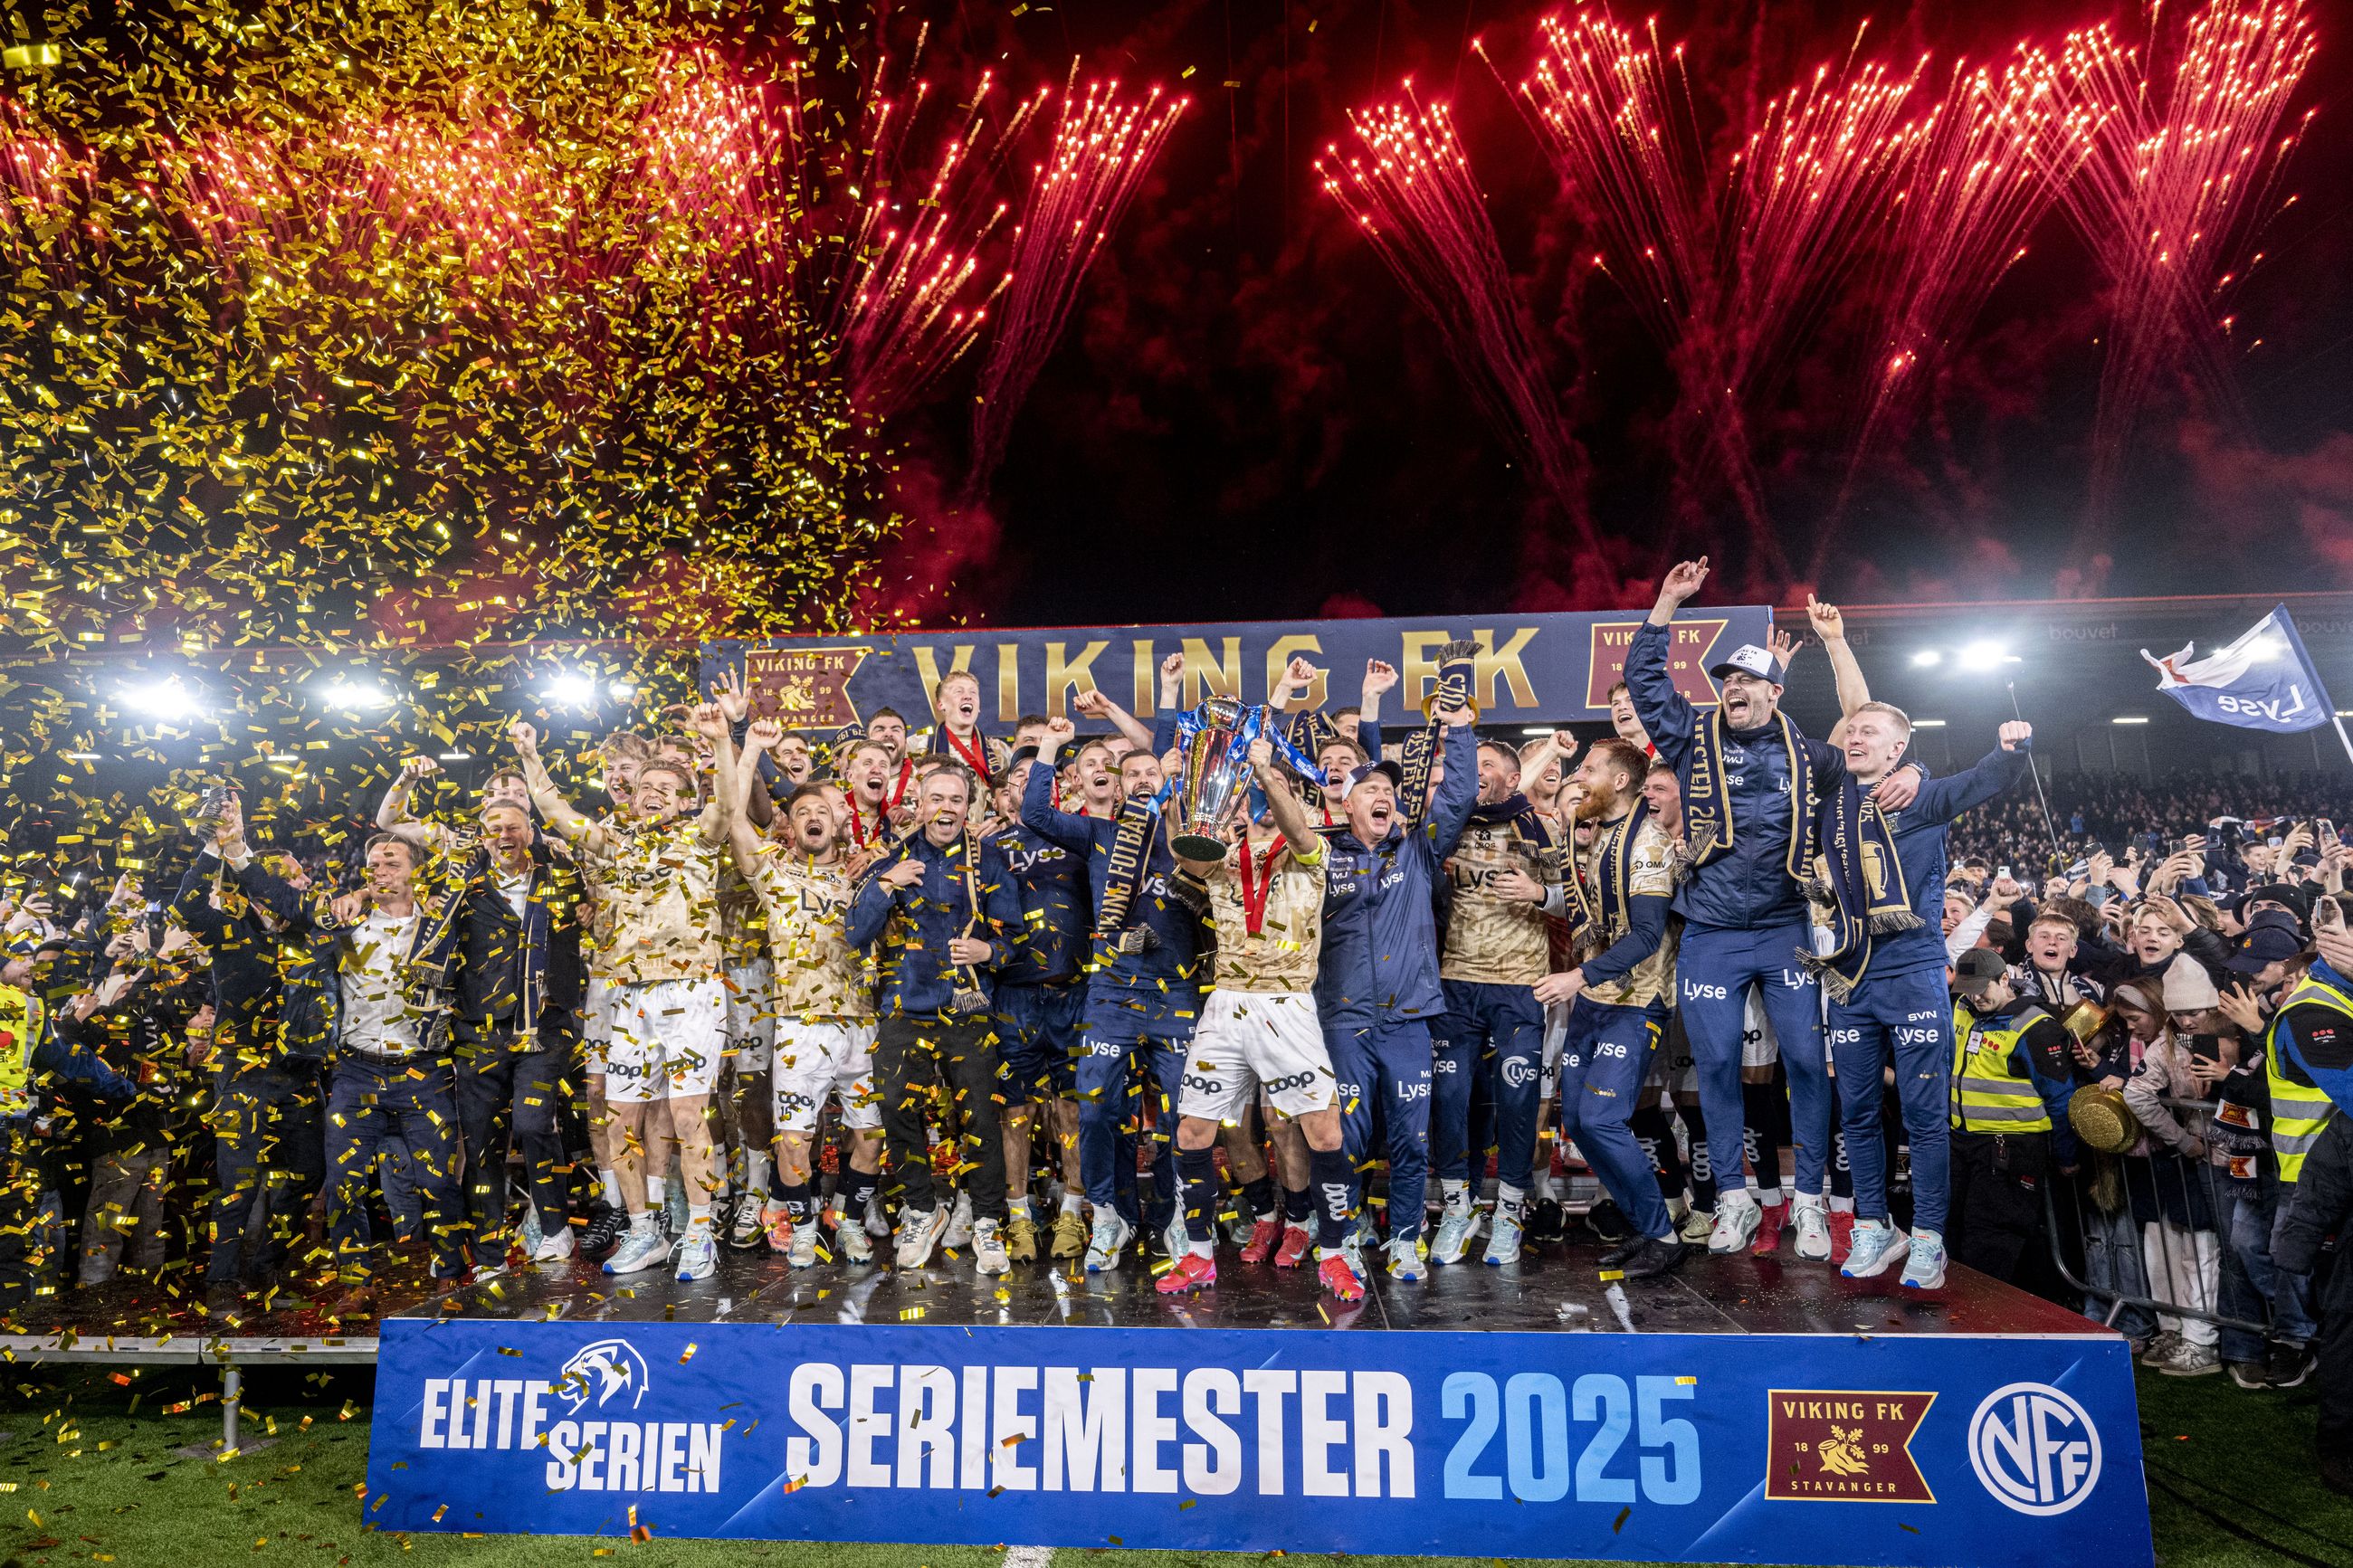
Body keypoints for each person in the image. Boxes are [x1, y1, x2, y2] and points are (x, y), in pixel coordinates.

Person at [1627, 558, 1919, 1256]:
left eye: (1748, 679)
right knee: (1717, 1064)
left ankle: (1808, 1203)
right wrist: (1666, 601)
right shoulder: (1691, 740)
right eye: (1726, 680)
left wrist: (1912, 763)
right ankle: (1734, 1200)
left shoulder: (1812, 756)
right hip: (1712, 933)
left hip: (1787, 929)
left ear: (1775, 691)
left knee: (1808, 1064)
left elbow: (1864, 729)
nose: (1733, 688)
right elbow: (1644, 680)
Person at [511, 711, 733, 1283]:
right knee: (619, 1120)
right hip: (630, 994)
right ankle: (643, 1231)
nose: (652, 793)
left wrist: (724, 742)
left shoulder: (701, 837)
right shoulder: (614, 842)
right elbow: (555, 810)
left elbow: (728, 804)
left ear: (685, 800)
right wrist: (531, 756)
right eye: (645, 787)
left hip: (692, 989)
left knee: (688, 1115)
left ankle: (700, 1232)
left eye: (666, 788)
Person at [1818, 708, 2034, 1289]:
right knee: (1857, 1112)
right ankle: (1873, 1225)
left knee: (1924, 1115)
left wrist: (2010, 748)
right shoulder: (1829, 801)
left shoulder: (1923, 796)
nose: (1855, 738)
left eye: (1870, 732)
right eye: (1851, 731)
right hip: (1849, 975)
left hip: (1913, 973)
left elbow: (1986, 779)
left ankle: (1929, 1237)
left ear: (1898, 749)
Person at [1161, 736, 1358, 1295]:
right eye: (1257, 793)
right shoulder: (1223, 862)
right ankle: (1199, 1255)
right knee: (1193, 1131)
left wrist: (1270, 774)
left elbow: (1296, 827)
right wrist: (1177, 793)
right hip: (1225, 1005)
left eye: (1279, 795)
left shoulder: (1312, 855)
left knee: (1323, 1132)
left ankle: (1333, 1254)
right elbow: (1185, 853)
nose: (1267, 804)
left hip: (1287, 1004)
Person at [1020, 717, 1210, 1272]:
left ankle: (1176, 1216)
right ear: (1120, 787)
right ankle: (1109, 1215)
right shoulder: (1100, 834)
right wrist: (1050, 745)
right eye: (1133, 774)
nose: (1144, 779)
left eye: (1154, 772)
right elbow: (1035, 815)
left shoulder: (1191, 843)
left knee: (1181, 1115)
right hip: (1110, 993)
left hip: (1176, 995)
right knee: (1099, 1108)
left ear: (1167, 781)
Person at [1318, 710, 1479, 1288]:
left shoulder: (1418, 851)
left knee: (1412, 1138)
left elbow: (1459, 796)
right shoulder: (1320, 856)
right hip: (1342, 1021)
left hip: (1409, 1021)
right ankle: (1342, 1237)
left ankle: (1406, 1239)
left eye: (1389, 789)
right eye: (1370, 790)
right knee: (1345, 1138)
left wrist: (1460, 732)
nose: (1382, 796)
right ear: (1346, 805)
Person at [848, 762, 1022, 1273]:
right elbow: (856, 934)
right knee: (896, 1107)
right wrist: (886, 883)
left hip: (969, 1010)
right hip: (905, 1007)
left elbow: (1016, 938)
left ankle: (986, 1221)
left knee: (981, 1118)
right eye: (937, 799)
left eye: (956, 800)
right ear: (920, 805)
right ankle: (923, 1210)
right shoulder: (893, 860)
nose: (946, 808)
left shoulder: (989, 862)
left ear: (969, 808)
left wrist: (989, 952)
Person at [724, 723, 881, 1267]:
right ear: (789, 825)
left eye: (823, 810)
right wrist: (748, 747)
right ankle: (804, 1226)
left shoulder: (868, 874)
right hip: (800, 1024)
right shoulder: (774, 873)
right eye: (802, 812)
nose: (813, 817)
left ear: (839, 820)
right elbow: (732, 815)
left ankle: (848, 1221)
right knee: (794, 1139)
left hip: (862, 1020)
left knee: (870, 1136)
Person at [170, 797, 333, 1316]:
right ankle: (222, 1282)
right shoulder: (230, 930)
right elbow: (186, 909)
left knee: (308, 1173)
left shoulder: (313, 935)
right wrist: (213, 846)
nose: (301, 883)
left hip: (301, 1074)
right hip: (243, 1073)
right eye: (290, 876)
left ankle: (266, 1269)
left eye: (299, 876)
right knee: (239, 1182)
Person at [1534, 737, 1686, 1278]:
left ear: (1621, 781)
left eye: (1589, 768)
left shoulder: (1647, 844)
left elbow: (1646, 936)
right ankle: (1646, 1226)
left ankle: (1664, 1234)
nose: (1578, 776)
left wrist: (1576, 976)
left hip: (1637, 1001)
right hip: (1596, 998)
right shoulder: (1602, 832)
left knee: (1602, 1118)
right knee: (1578, 1120)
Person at [318, 832, 469, 1313]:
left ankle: (450, 1276)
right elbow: (296, 914)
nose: (380, 872)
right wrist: (356, 896)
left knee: (438, 1181)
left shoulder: (440, 927)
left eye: (391, 864)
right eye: (372, 866)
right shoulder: (348, 924)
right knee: (344, 1183)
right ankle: (356, 1284)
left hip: (424, 1069)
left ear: (415, 871)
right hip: (356, 1070)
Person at [1430, 738, 1563, 1266]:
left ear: (1513, 778)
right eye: (1473, 764)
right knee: (1448, 1097)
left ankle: (1508, 1212)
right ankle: (1457, 1209)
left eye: (1488, 765)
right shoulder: (1448, 827)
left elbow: (1580, 899)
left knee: (1516, 1101)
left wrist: (1539, 895)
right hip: (1455, 982)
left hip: (1518, 986)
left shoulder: (1542, 829)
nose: (1477, 771)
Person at [447, 797, 585, 1269]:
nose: (503, 836)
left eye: (513, 827)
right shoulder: (463, 886)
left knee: (531, 1124)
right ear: (482, 838)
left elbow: (589, 912)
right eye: (494, 829)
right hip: (478, 1029)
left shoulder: (560, 878)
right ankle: (489, 1252)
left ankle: (555, 1227)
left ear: (530, 833)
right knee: (481, 1142)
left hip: (543, 1028)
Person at [987, 748, 1091, 1263]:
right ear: (1005, 793)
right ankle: (1019, 1216)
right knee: (1016, 1111)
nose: (1026, 786)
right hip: (1014, 995)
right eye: (1017, 779)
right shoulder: (989, 847)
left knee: (1072, 1108)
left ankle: (1073, 1209)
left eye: (1036, 778)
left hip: (1074, 992)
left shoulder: (1078, 838)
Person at [1945, 947, 2079, 1287]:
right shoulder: (1962, 1008)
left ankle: (1984, 1310)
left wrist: (2067, 1155)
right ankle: (1961, 1307)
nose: (1975, 998)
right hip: (1962, 1142)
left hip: (2010, 1148)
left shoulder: (2036, 1027)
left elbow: (2061, 1098)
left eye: (1982, 989)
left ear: (2004, 979)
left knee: (1989, 1239)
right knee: (1956, 1229)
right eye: (1968, 990)